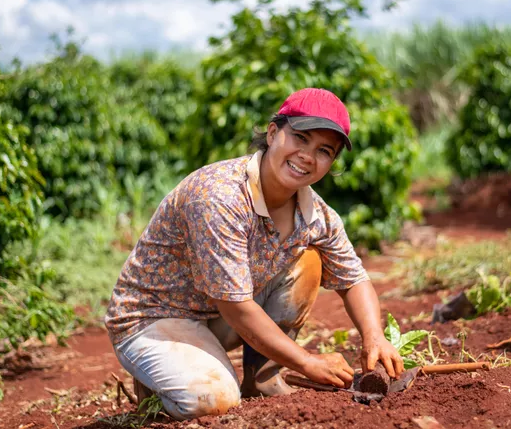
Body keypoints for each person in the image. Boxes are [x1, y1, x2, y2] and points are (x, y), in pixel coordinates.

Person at [104, 87, 404, 421]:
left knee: (308, 262)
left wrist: (374, 338)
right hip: (153, 318)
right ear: (274, 133)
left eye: (324, 151)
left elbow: (353, 279)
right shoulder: (218, 196)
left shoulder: (315, 214)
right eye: (301, 138)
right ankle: (160, 386)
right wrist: (307, 362)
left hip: (214, 313)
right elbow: (236, 307)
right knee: (214, 400)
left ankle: (262, 380)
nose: (308, 155)